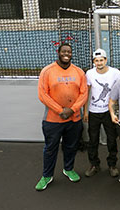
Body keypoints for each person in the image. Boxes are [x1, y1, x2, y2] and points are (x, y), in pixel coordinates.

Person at [35, 43, 88, 191]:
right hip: (53, 120)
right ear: (58, 52)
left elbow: (84, 94)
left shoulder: (79, 72)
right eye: (64, 51)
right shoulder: (47, 71)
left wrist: (72, 109)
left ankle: (68, 168)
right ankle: (47, 176)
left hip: (74, 118)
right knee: (50, 148)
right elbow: (42, 94)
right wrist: (60, 110)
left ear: (71, 54)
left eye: (69, 52)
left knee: (70, 146)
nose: (66, 54)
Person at [84, 48, 120, 178]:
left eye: (101, 60)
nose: (99, 63)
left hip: (108, 112)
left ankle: (112, 164)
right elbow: (86, 93)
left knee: (111, 139)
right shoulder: (89, 73)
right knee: (93, 140)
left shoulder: (115, 73)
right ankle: (94, 164)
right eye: (96, 60)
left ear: (105, 60)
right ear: (94, 62)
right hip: (93, 112)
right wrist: (85, 111)